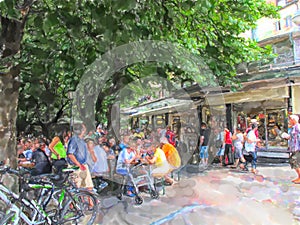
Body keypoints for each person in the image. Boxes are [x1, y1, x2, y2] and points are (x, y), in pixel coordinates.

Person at [67, 122, 94, 190]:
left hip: (83, 165)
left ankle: (90, 200)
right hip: (77, 166)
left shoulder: (82, 140)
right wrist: (79, 164)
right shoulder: (74, 140)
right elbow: (70, 154)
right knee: (80, 186)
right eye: (83, 128)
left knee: (88, 186)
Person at [285, 115, 300, 184]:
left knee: (294, 161)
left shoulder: (297, 127)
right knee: (294, 162)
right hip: (294, 147)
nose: (289, 121)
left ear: (294, 120)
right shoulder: (293, 127)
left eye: (290, 120)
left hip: (297, 148)